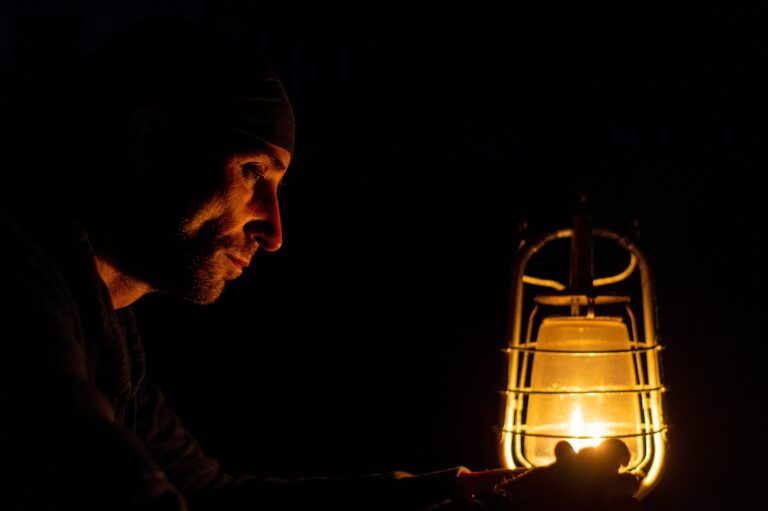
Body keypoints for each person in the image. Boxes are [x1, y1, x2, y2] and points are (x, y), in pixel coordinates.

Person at [0, 17, 641, 510]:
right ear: (150, 145)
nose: (274, 231)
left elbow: (217, 498)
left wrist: (465, 488)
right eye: (253, 172)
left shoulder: (110, 339)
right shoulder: (21, 291)